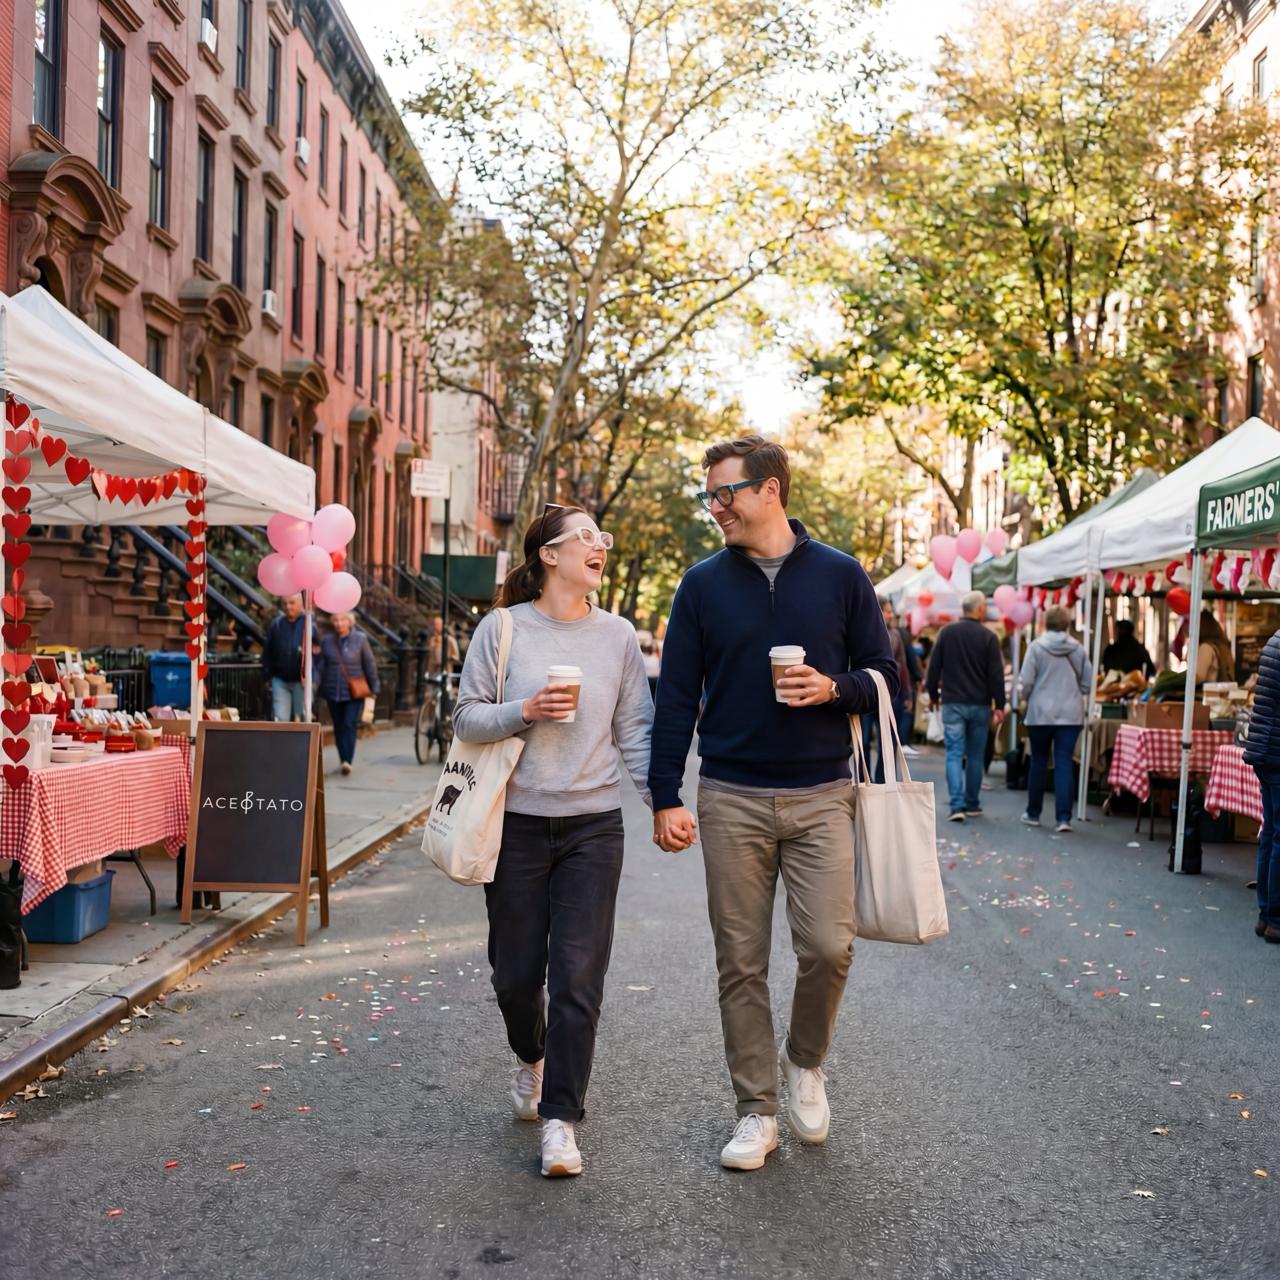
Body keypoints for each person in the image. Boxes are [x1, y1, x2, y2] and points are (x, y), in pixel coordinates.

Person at [648, 433, 897, 1173]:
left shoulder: (842, 575)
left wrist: (832, 688)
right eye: (710, 494)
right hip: (730, 795)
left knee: (829, 946)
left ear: (770, 490)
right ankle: (755, 1112)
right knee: (741, 962)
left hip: (824, 791)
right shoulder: (699, 585)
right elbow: (674, 700)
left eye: (725, 492)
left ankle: (806, 1060)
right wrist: (665, 794)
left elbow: (887, 676)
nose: (714, 506)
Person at [453, 504, 652, 1179]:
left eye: (604, 536)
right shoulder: (502, 628)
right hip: (515, 823)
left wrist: (666, 804)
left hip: (594, 824)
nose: (600, 547)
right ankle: (530, 1057)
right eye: (586, 537)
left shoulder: (619, 635)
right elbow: (468, 718)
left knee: (578, 978)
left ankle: (562, 1120)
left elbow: (636, 730)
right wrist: (526, 710)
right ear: (550, 555)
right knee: (515, 977)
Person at [925, 590, 1006, 823]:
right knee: (975, 756)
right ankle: (972, 803)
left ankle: (956, 804)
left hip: (952, 702)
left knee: (953, 753)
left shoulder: (947, 633)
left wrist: (933, 695)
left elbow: (933, 669)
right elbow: (996, 676)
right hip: (979, 704)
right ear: (979, 609)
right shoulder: (989, 637)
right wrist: (999, 704)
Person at [1016, 605, 1092, 834]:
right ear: (1067, 624)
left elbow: (1026, 682)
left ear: (1045, 623)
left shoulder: (1036, 648)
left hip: (1040, 714)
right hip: (1070, 714)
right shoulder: (1078, 649)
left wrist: (1025, 698)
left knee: (1038, 760)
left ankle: (1033, 813)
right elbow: (1087, 684)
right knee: (1064, 762)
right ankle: (1064, 818)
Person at [1242, 626, 1280, 944]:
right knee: (1278, 834)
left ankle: (1266, 914)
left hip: (1264, 748)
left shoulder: (1274, 641)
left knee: (1270, 832)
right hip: (1276, 750)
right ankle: (1276, 918)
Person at [315, 611, 379, 775]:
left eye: (342, 620)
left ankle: (347, 760)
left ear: (350, 622)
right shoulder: (327, 641)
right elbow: (321, 664)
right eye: (336, 620)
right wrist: (314, 681)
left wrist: (374, 687)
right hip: (332, 691)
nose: (339, 623)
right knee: (338, 726)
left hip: (353, 692)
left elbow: (369, 663)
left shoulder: (360, 639)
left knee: (349, 724)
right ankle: (342, 757)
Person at [261, 594, 316, 721]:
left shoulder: (309, 623)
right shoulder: (277, 624)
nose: (288, 606)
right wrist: (267, 676)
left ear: (301, 604)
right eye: (285, 603)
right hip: (280, 679)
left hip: (302, 680)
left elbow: (318, 653)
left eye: (291, 603)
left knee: (304, 717)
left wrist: (313, 676)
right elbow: (268, 652)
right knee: (280, 719)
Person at [1196, 611, 1236, 685]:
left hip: (1211, 694)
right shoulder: (1224, 646)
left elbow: (1198, 677)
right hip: (1226, 693)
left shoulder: (1206, 647)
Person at [426, 612, 460, 677]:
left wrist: (446, 659)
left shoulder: (450, 640)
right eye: (434, 624)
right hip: (432, 672)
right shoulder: (432, 639)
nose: (435, 627)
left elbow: (456, 657)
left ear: (443, 625)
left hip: (445, 672)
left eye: (437, 624)